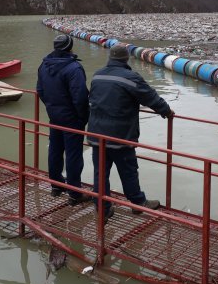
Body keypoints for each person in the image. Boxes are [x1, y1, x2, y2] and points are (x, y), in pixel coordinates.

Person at [87, 45, 174, 220]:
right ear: (126, 59)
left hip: (97, 134)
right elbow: (150, 97)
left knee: (100, 172)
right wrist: (166, 111)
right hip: (120, 136)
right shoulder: (131, 77)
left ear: (110, 58)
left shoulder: (97, 75)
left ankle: (102, 208)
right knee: (128, 170)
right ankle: (137, 203)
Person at [36, 34, 90, 205]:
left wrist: (51, 107)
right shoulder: (74, 68)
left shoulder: (44, 65)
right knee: (73, 155)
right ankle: (75, 193)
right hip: (72, 119)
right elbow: (80, 97)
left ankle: (56, 186)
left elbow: (40, 91)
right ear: (70, 47)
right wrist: (82, 117)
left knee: (55, 149)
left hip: (54, 116)